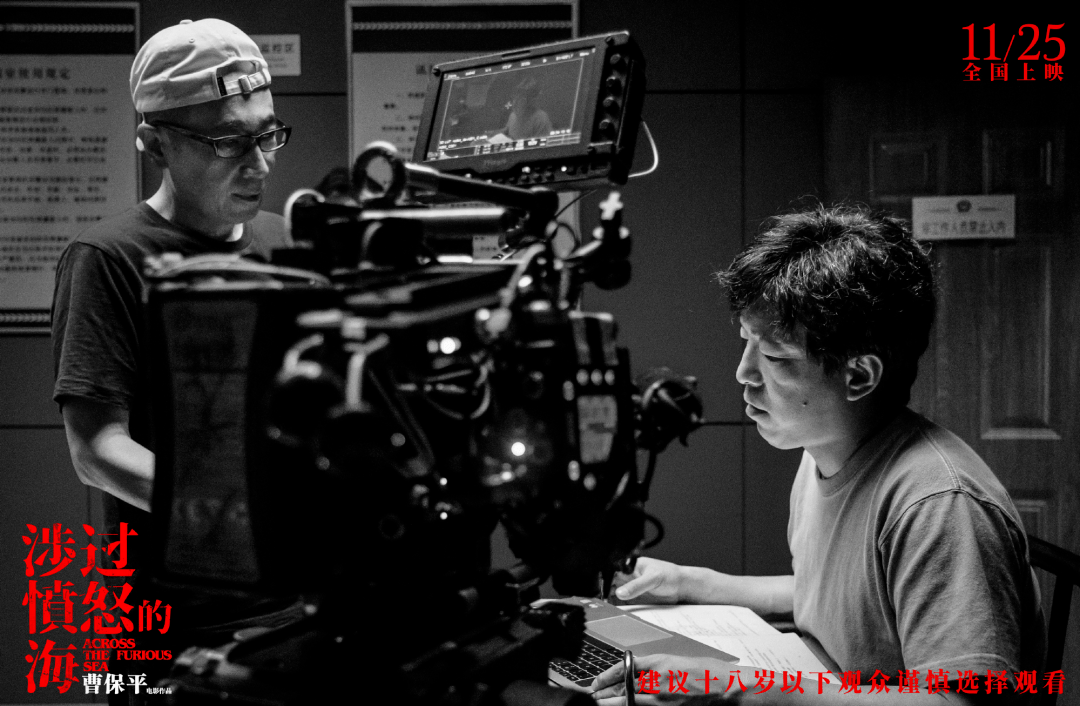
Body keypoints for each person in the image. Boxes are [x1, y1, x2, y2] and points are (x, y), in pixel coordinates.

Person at [591, 205, 1045, 704]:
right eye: (746, 343)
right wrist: (689, 582)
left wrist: (741, 691)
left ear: (859, 376)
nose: (744, 373)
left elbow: (959, 702)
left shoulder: (939, 505)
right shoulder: (823, 452)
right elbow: (838, 601)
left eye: (774, 356)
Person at [51, 18, 300, 702]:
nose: (258, 163)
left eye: (267, 134)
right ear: (155, 142)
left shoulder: (284, 243)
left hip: (295, 615)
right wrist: (246, 515)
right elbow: (97, 451)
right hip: (167, 634)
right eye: (227, 142)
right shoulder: (108, 258)